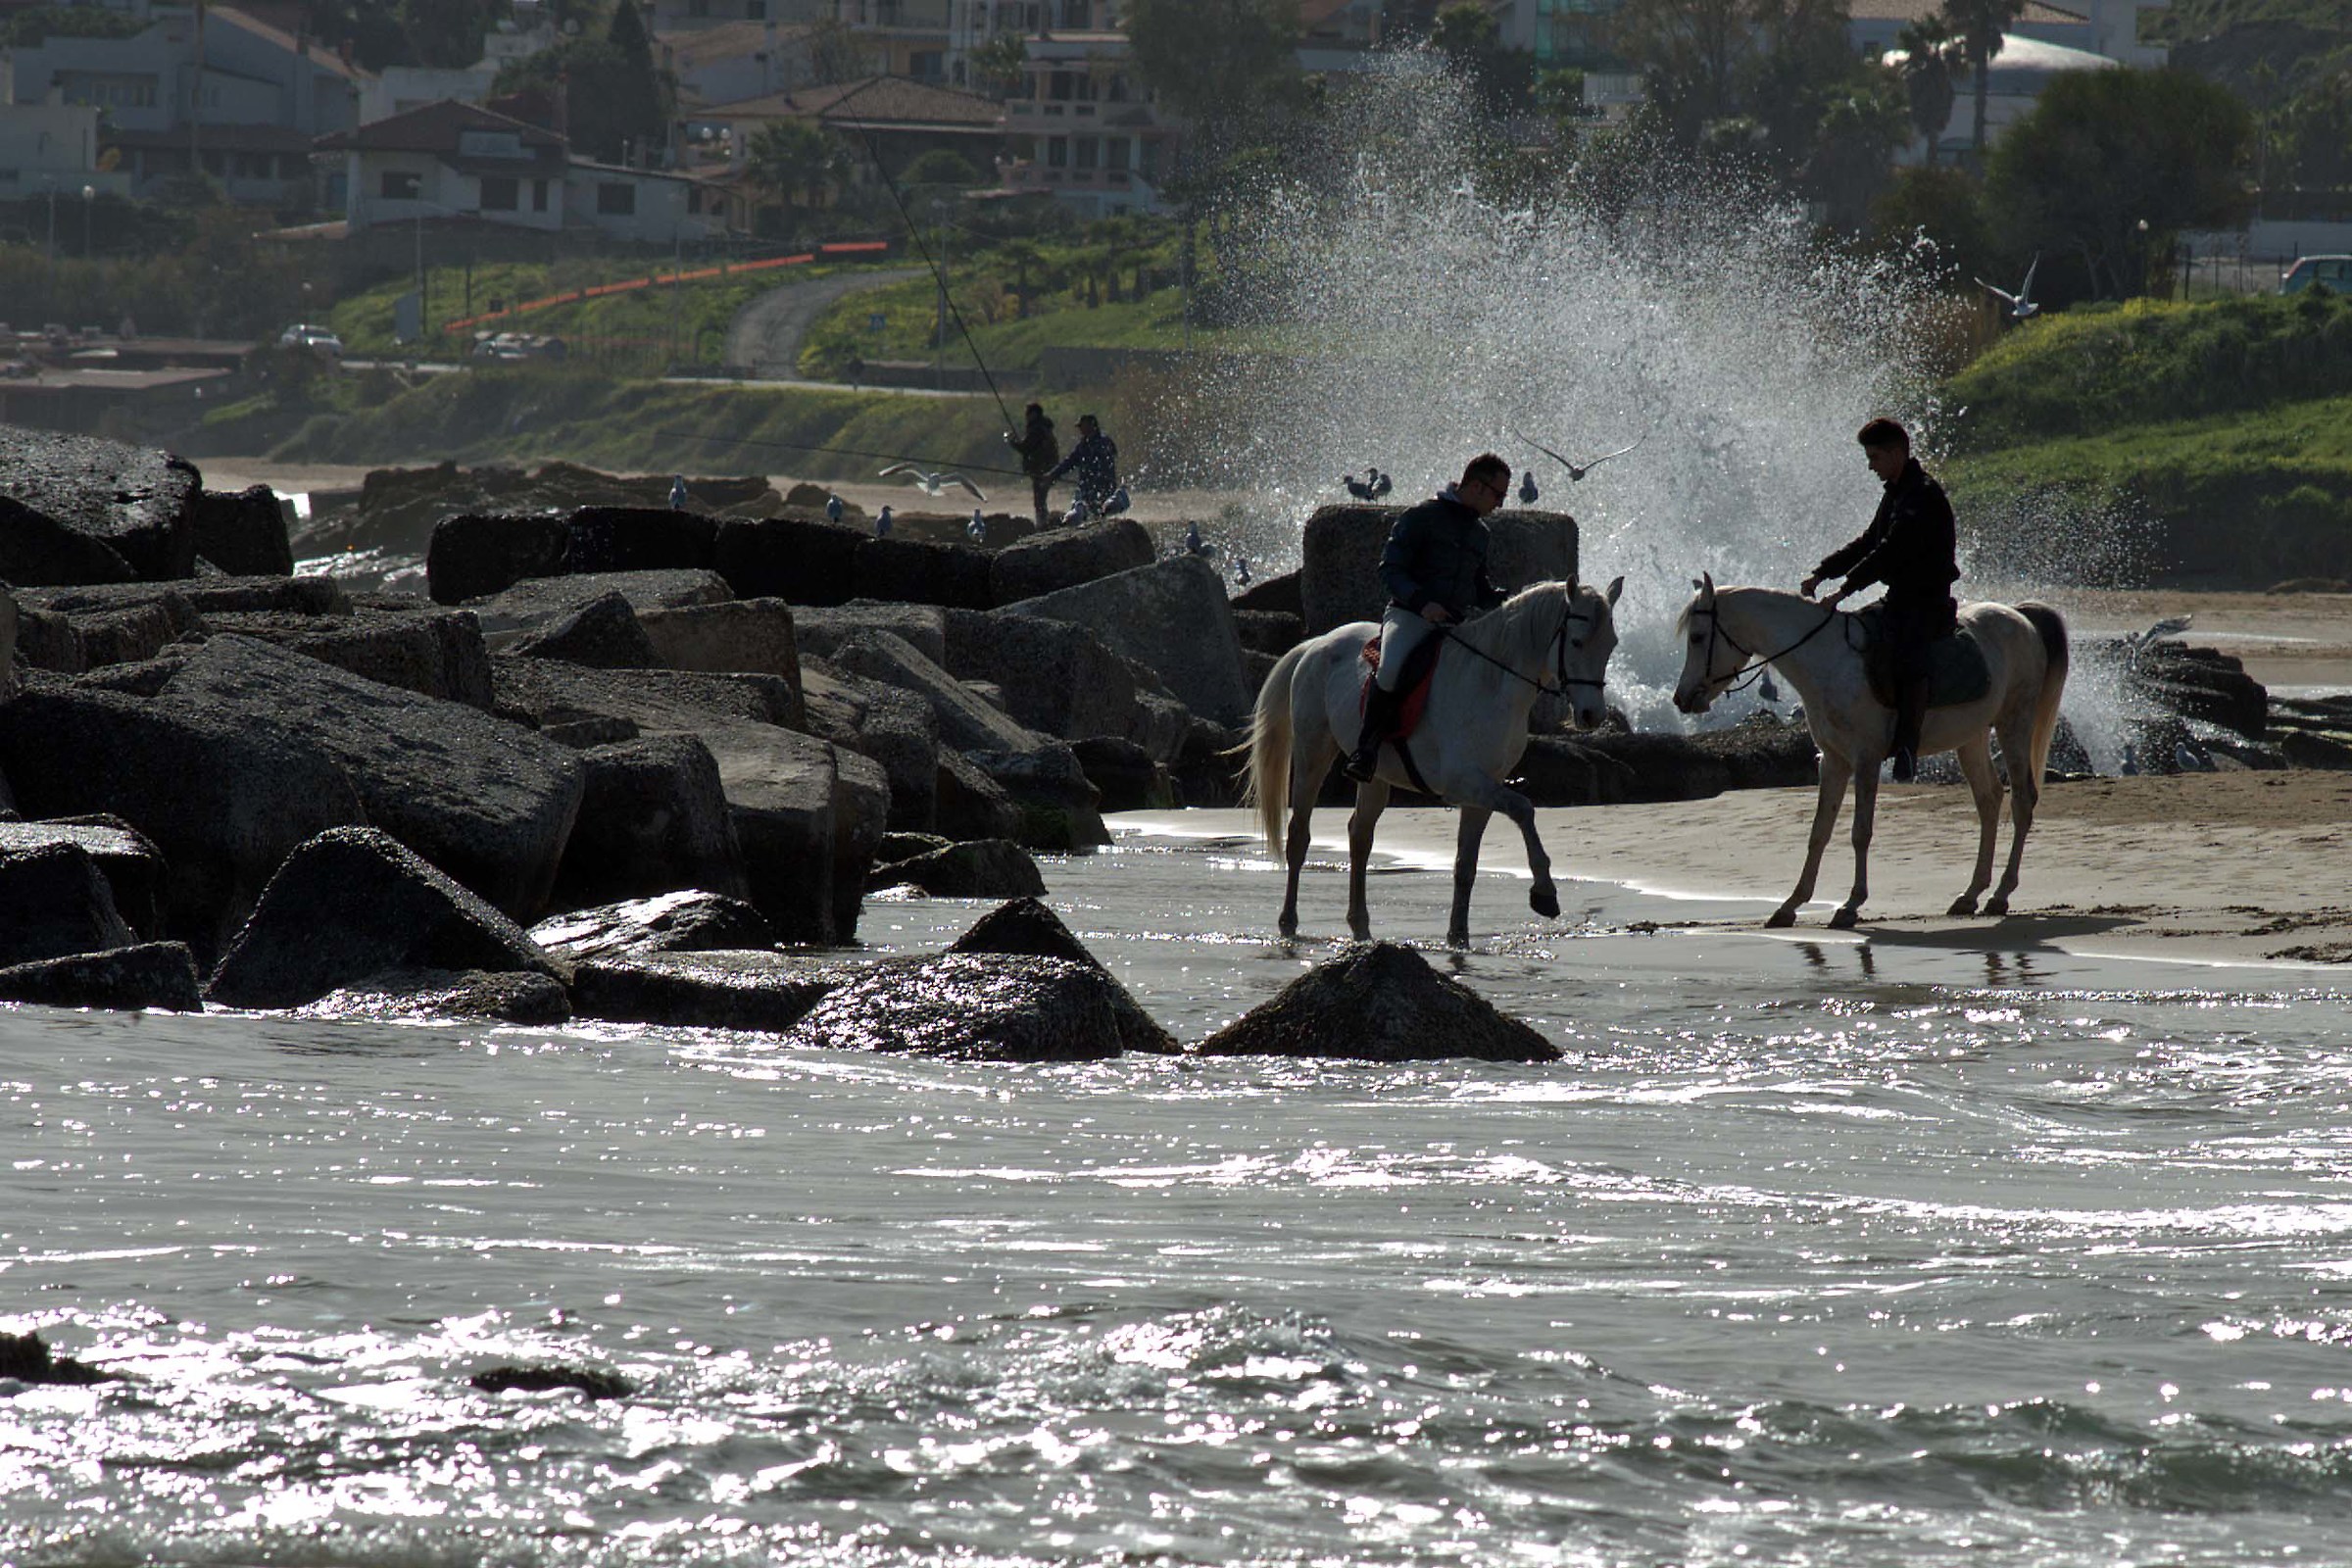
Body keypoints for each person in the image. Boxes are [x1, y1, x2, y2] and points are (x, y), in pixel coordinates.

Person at [1801, 416, 1959, 783]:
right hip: (1898, 598)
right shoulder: (1895, 491)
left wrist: (1844, 591)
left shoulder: (1921, 494)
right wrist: (1823, 572)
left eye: (1874, 457)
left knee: (1908, 657)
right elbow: (1868, 542)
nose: (1870, 465)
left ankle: (1906, 746)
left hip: (1927, 602)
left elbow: (1890, 552)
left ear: (1895, 453)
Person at [1345, 453, 1511, 782]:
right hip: (1409, 616)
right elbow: (1390, 569)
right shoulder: (1421, 516)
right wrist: (1423, 603)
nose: (1501, 504)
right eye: (1499, 495)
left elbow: (1479, 588)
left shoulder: (1481, 534)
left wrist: (1508, 599)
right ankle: (1365, 751)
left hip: (1452, 624)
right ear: (1477, 487)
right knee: (1390, 671)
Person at [1047, 413, 1119, 525]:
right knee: (1088, 515)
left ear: (1091, 425)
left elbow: (1106, 466)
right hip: (1088, 488)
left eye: (1082, 426)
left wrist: (1098, 481)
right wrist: (1053, 474)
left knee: (1100, 514)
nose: (1080, 429)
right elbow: (1070, 462)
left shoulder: (1104, 442)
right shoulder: (1083, 444)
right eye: (1079, 427)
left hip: (1103, 487)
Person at [1004, 403, 1059, 530]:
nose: (1026, 417)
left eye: (1028, 413)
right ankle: (1043, 522)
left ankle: (1042, 525)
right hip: (1048, 468)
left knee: (1039, 500)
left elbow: (1025, 448)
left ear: (1034, 414)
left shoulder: (1037, 429)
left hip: (1041, 470)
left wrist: (1011, 441)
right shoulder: (1045, 427)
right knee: (1041, 499)